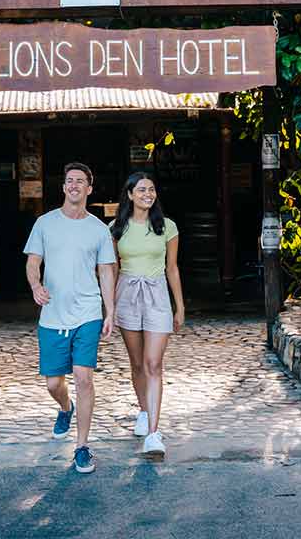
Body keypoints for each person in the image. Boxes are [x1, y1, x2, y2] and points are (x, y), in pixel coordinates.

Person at [24, 162, 115, 474]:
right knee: (53, 383)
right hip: (53, 315)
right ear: (63, 188)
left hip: (88, 312)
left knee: (84, 378)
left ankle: (82, 446)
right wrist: (36, 286)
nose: (74, 185)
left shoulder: (99, 230)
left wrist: (110, 311)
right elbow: (33, 262)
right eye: (69, 181)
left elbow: (106, 272)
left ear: (89, 189)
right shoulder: (45, 224)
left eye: (81, 181)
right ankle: (65, 407)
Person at [110, 171, 184, 458]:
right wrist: (110, 306)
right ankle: (143, 410)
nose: (147, 195)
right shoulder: (115, 228)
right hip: (127, 294)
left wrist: (180, 306)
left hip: (157, 296)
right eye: (141, 190)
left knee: (154, 364)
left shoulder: (167, 227)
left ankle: (154, 433)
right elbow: (112, 269)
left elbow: (172, 268)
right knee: (138, 363)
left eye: (151, 190)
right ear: (129, 195)